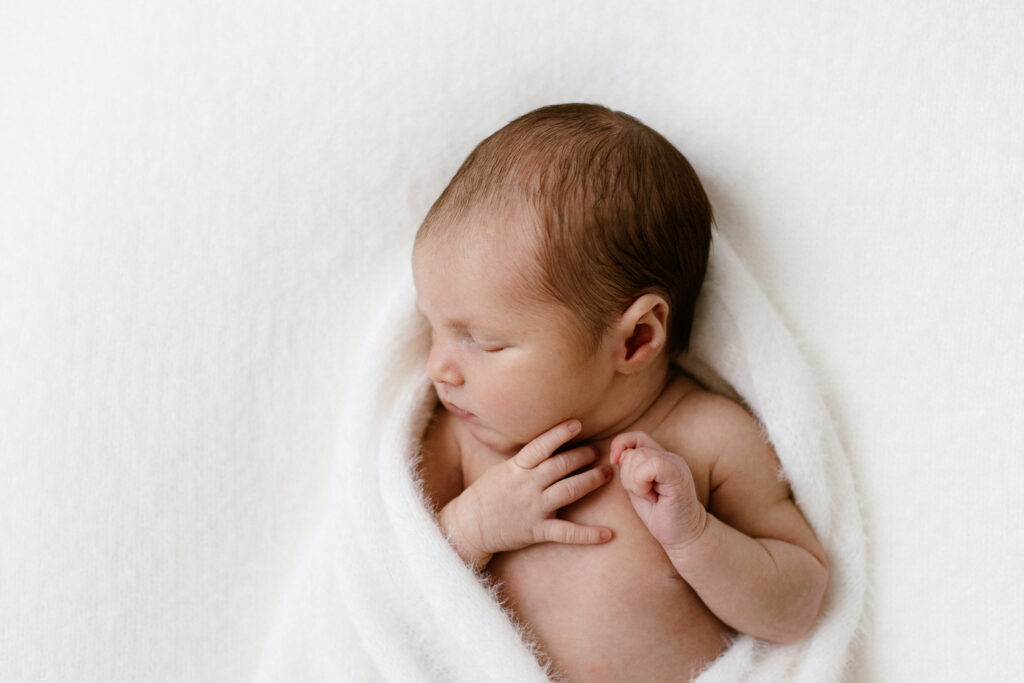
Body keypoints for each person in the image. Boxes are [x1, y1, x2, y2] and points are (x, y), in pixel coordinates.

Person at [412, 103, 829, 682]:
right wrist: (471, 529)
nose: (438, 367)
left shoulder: (708, 439)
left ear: (635, 340)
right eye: (432, 325)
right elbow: (391, 579)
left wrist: (697, 539)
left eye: (484, 341)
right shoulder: (461, 442)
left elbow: (799, 606)